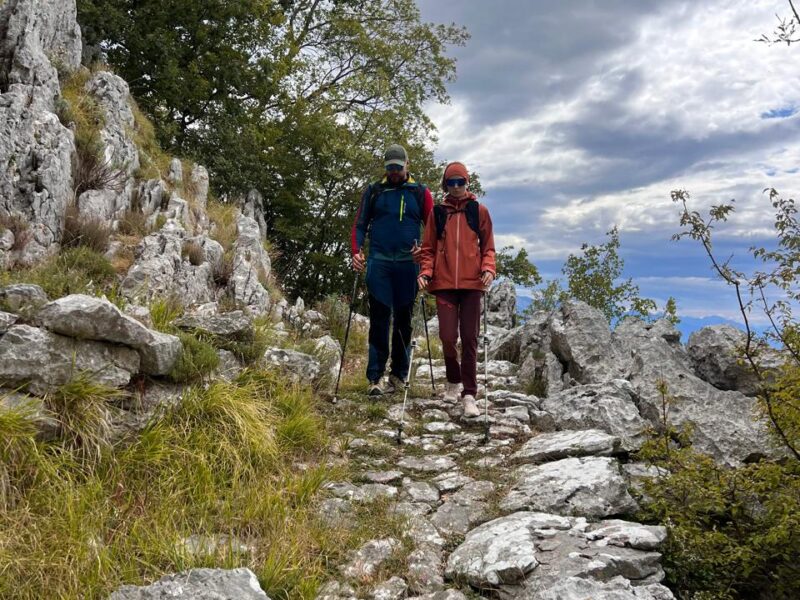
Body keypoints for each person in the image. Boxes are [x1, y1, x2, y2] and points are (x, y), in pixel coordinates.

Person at [351, 144, 434, 396]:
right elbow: (359, 225)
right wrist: (356, 252)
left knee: (403, 320)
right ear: (385, 168)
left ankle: (398, 374)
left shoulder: (420, 192)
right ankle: (374, 377)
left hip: (409, 265)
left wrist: (426, 255)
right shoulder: (374, 191)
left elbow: (432, 230)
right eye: (390, 168)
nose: (394, 172)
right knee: (379, 319)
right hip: (379, 263)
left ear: (407, 165)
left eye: (398, 167)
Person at [417, 161, 496, 417]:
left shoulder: (478, 211)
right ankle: (453, 380)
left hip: (473, 284)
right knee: (448, 338)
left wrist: (488, 268)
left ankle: (469, 394)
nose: (456, 187)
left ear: (467, 183)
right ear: (445, 185)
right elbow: (427, 249)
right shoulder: (438, 214)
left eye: (460, 182)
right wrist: (426, 272)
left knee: (470, 339)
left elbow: (489, 247)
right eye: (451, 183)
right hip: (445, 283)